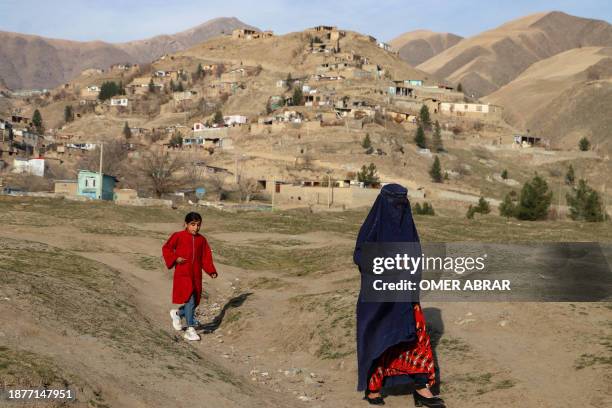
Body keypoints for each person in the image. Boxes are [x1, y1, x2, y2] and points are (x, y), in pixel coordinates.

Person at [353, 184, 444, 407]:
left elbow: (415, 258)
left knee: (416, 337)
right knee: (378, 338)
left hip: (405, 295)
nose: (398, 208)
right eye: (394, 202)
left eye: (402, 203)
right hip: (379, 299)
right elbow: (361, 256)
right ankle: (373, 389)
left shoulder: (408, 228)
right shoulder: (372, 227)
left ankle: (422, 389)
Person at [162, 212, 218, 341]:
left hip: (196, 275)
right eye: (192, 224)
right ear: (186, 224)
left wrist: (211, 271)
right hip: (183, 274)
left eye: (198, 225)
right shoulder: (178, 236)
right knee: (189, 299)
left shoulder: (202, 240)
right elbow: (166, 248)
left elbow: (206, 258)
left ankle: (178, 313)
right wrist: (175, 258)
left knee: (194, 301)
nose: (195, 228)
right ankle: (190, 329)